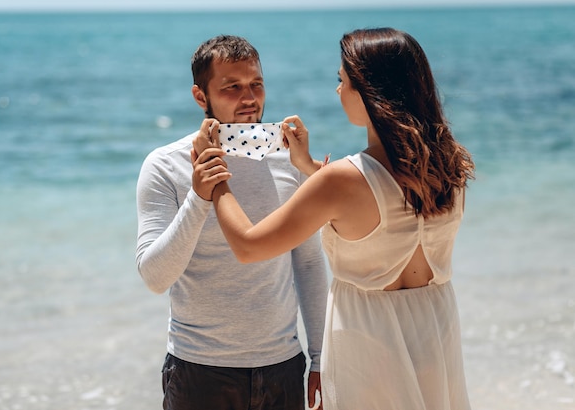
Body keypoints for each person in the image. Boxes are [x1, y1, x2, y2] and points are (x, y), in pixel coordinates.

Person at [193, 28, 475, 410]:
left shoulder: (341, 180)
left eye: (342, 81)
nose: (338, 91)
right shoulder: (449, 164)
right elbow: (385, 213)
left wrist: (215, 174)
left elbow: (248, 246)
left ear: (369, 93)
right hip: (434, 332)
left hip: (370, 343)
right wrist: (308, 168)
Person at [135, 34, 328, 410]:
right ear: (199, 96)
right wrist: (199, 195)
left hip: (283, 366)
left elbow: (307, 262)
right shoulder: (164, 165)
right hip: (199, 369)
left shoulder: (292, 160)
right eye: (232, 88)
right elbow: (154, 278)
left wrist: (320, 358)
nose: (250, 98)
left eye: (256, 84)